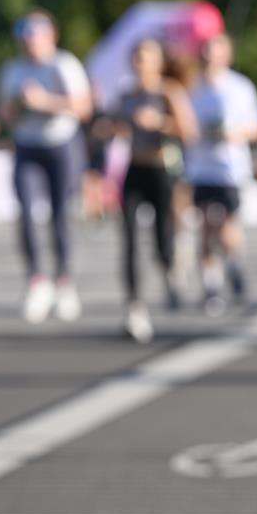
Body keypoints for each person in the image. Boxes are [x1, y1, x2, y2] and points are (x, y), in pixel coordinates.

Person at [0, 10, 92, 324]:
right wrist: (18, 107)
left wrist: (44, 102)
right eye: (25, 39)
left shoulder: (64, 64)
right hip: (27, 146)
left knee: (61, 213)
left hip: (61, 145)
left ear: (50, 37)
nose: (30, 45)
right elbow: (2, 114)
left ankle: (64, 280)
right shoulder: (12, 70)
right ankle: (37, 280)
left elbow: (83, 107)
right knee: (25, 213)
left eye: (35, 38)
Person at [113, 38, 197, 343]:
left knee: (162, 241)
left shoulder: (169, 92)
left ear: (159, 62)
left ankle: (172, 268)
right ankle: (135, 308)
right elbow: (116, 127)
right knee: (129, 240)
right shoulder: (127, 95)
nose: (141, 63)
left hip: (161, 170)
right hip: (134, 169)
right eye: (137, 57)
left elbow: (189, 131)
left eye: (147, 57)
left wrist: (159, 121)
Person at [186, 33, 257, 313]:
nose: (210, 56)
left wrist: (234, 133)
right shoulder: (192, 87)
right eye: (206, 50)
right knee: (206, 226)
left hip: (230, 169)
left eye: (216, 50)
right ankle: (211, 285)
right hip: (200, 167)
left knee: (228, 227)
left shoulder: (240, 87)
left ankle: (235, 265)